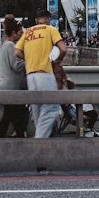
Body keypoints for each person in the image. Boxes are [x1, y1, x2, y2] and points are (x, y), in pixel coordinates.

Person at [15, 9, 66, 140]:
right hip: (45, 73)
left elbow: (17, 52)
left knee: (36, 109)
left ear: (36, 19)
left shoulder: (28, 32)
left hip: (30, 75)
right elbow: (63, 48)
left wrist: (30, 59)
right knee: (51, 107)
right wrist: (58, 59)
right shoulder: (50, 30)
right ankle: (40, 139)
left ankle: (40, 141)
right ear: (48, 19)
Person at [0, 14, 28, 138]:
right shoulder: (10, 46)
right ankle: (9, 137)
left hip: (6, 86)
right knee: (11, 115)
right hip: (11, 87)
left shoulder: (5, 45)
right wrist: (29, 60)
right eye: (20, 33)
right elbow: (16, 65)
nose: (21, 36)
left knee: (11, 114)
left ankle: (12, 136)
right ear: (14, 33)